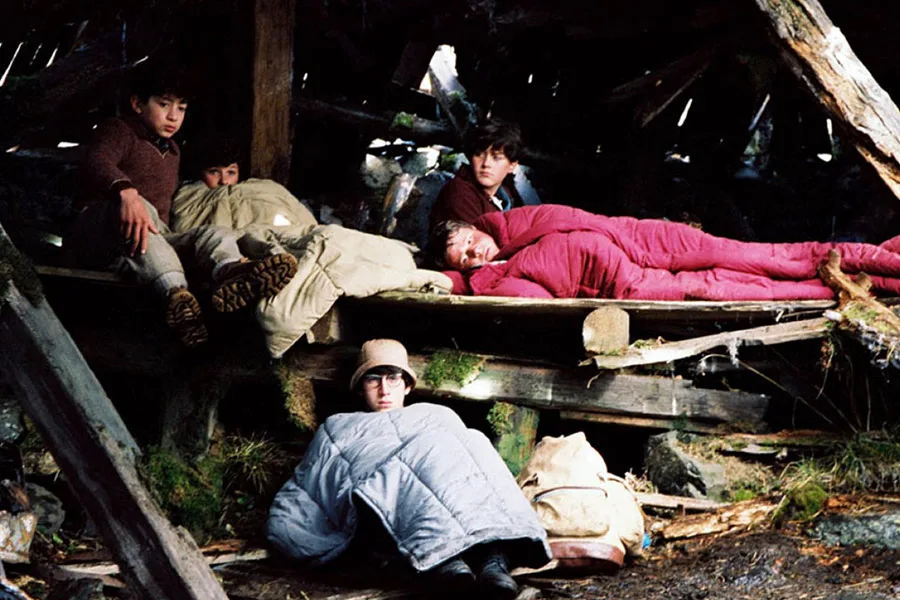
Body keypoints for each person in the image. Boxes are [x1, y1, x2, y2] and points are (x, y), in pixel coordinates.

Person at [266, 339, 550, 598]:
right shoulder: (338, 426)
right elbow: (312, 482)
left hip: (448, 492)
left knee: (474, 443)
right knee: (410, 468)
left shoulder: (436, 414)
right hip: (380, 504)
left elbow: (468, 466)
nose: (384, 389)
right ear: (360, 387)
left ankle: (493, 560)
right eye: (373, 379)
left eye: (393, 378)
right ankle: (446, 560)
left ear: (407, 386)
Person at [65, 64, 298, 346]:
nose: (173, 116)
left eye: (182, 108)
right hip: (99, 232)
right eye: (164, 105)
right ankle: (176, 295)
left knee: (213, 233)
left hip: (149, 239)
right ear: (137, 104)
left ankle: (232, 272)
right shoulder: (119, 130)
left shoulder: (173, 151)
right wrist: (126, 192)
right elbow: (96, 160)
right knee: (143, 211)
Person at [429, 204, 900, 300]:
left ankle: (883, 260)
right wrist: (462, 280)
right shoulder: (492, 276)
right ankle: (874, 281)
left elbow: (581, 219)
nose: (473, 253)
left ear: (475, 226)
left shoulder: (514, 222)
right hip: (627, 278)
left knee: (758, 255)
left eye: (469, 242)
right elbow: (534, 297)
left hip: (641, 238)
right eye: (463, 258)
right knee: (728, 286)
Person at [428, 119, 525, 229]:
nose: (486, 163)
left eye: (496, 158)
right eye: (479, 154)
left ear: (512, 165)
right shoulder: (460, 193)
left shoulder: (506, 194)